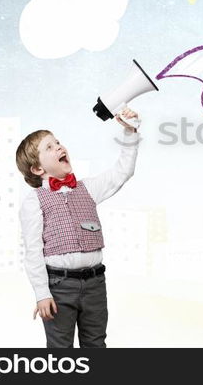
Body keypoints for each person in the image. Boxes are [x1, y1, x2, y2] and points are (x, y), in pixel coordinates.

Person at [14, 108, 141, 347]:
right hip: (59, 286)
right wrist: (42, 293)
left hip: (95, 283)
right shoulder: (34, 200)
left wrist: (130, 131)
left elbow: (123, 171)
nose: (59, 147)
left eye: (58, 142)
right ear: (38, 169)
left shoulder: (88, 189)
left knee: (96, 343)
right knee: (60, 349)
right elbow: (32, 250)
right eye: (49, 147)